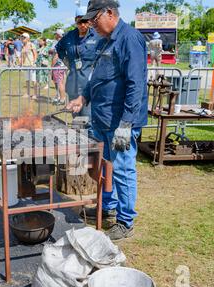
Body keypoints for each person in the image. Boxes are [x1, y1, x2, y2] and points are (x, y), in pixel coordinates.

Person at [67, 0, 148, 241]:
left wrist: (126, 124)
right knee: (104, 167)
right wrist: (82, 98)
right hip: (102, 118)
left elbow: (136, 84)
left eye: (94, 19)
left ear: (109, 13)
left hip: (120, 121)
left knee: (122, 169)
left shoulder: (130, 39)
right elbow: (97, 78)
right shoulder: (104, 41)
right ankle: (107, 206)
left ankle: (125, 221)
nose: (91, 25)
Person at [56, 6, 99, 136]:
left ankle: (91, 149)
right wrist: (68, 63)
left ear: (90, 21)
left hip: (88, 85)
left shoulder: (97, 36)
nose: (82, 25)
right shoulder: (69, 36)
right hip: (73, 84)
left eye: (85, 21)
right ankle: (79, 146)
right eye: (79, 22)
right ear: (75, 21)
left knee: (87, 118)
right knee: (76, 119)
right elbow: (59, 48)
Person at [50, 29, 66, 105]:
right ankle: (59, 97)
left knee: (60, 83)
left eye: (56, 34)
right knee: (59, 82)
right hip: (61, 65)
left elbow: (56, 56)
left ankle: (62, 99)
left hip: (58, 65)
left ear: (58, 35)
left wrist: (52, 67)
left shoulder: (58, 43)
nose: (55, 35)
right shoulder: (63, 42)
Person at [21, 33, 37, 99]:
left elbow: (35, 54)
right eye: (22, 37)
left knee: (33, 80)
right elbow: (23, 56)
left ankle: (35, 94)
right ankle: (28, 93)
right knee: (27, 80)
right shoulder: (23, 46)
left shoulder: (31, 44)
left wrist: (33, 62)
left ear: (28, 38)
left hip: (31, 65)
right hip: (25, 65)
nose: (22, 39)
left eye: (24, 37)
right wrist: (21, 63)